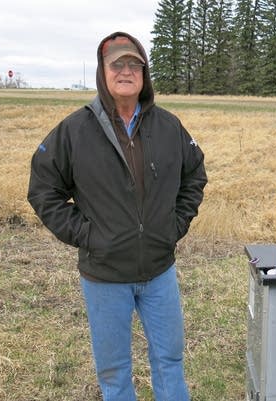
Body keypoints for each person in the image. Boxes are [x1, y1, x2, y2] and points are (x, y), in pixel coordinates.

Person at [27, 32, 207, 401]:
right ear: (102, 72)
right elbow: (43, 189)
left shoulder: (169, 126)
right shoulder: (75, 131)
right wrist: (88, 235)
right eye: (117, 64)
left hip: (159, 271)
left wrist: (174, 226)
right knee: (114, 372)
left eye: (134, 64)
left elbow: (195, 175)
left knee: (170, 361)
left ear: (144, 74)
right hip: (105, 275)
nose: (126, 71)